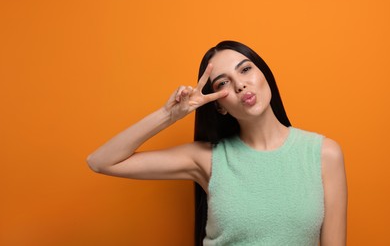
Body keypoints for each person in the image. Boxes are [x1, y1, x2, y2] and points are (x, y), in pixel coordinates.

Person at [87, 40, 348, 246]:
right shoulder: (208, 158)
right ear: (219, 106)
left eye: (245, 69)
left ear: (265, 75)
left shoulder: (323, 154)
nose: (240, 85)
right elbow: (100, 161)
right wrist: (169, 115)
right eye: (223, 82)